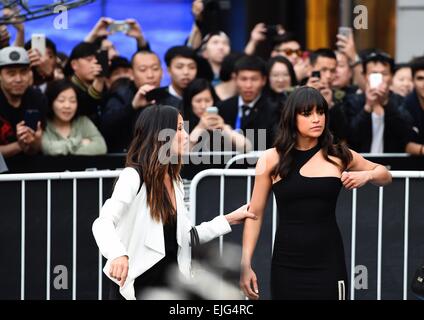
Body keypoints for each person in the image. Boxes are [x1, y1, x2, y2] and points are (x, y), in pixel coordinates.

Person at [240, 87, 392, 300]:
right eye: (307, 113)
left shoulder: (338, 154)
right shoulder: (271, 158)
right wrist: (245, 263)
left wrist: (367, 176)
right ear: (292, 117)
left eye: (320, 112)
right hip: (286, 264)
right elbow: (254, 214)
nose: (316, 119)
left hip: (329, 262)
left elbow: (384, 174)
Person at [92, 104, 257, 300]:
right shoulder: (133, 176)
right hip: (136, 288)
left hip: (169, 288)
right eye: (179, 128)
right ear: (159, 134)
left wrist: (228, 220)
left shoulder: (175, 180)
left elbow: (185, 238)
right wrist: (118, 254)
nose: (186, 135)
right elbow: (102, 223)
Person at [219, 55, 279, 150]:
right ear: (235, 79)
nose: (248, 85)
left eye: (254, 79)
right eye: (243, 79)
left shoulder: (274, 110)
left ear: (263, 80)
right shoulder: (223, 107)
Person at [0, 46, 46, 158]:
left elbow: (35, 149)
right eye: (11, 74)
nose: (18, 79)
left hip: (30, 165)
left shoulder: (38, 98)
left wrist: (34, 142)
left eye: (24, 72)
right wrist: (20, 145)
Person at [183, 78, 251, 152]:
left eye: (207, 101)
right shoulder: (182, 122)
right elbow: (183, 152)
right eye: (198, 101)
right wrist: (200, 127)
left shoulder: (222, 117)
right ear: (189, 103)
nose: (203, 106)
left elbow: (246, 147)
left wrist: (224, 127)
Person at [41, 79, 107, 156]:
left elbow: (101, 147)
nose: (67, 106)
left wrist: (64, 150)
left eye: (72, 101)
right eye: (61, 100)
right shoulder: (44, 124)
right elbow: (49, 149)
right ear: (51, 102)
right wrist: (79, 142)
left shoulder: (83, 121)